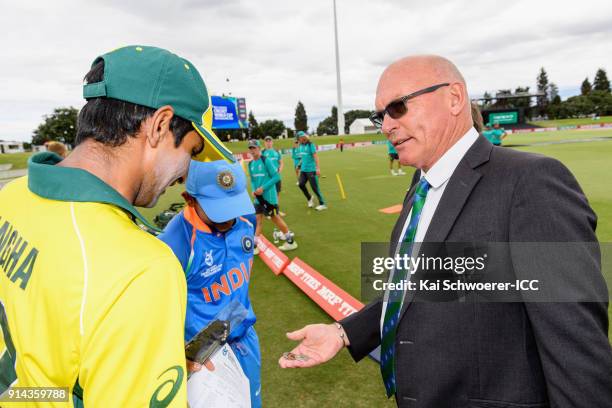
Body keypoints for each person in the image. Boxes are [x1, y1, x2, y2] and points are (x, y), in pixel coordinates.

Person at [279, 55, 612, 407]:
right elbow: (418, 287)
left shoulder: (530, 181)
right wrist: (343, 332)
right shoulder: (421, 183)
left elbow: (575, 345)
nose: (387, 125)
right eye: (381, 116)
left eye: (397, 107)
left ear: (454, 98)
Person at [0, 45, 235, 407]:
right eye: (190, 150)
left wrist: (143, 365)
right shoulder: (142, 269)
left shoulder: (11, 197)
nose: (186, 171)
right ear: (159, 125)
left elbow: (39, 383)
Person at [159, 160, 261, 407]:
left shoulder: (246, 219)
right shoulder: (175, 244)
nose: (228, 217)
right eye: (218, 209)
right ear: (189, 198)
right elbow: (156, 312)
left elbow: (242, 270)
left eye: (232, 205)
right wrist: (174, 357)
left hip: (245, 339)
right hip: (200, 357)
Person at [247, 139, 297, 252]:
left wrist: (263, 188)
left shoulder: (266, 161)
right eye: (250, 148)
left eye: (254, 148)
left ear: (259, 148)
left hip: (269, 198)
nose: (252, 150)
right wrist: (254, 190)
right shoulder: (250, 164)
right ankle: (254, 246)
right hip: (258, 198)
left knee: (276, 219)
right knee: (258, 220)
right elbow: (253, 180)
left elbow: (276, 177)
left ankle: (291, 241)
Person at [296, 131, 327, 210]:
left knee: (314, 187)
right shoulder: (300, 146)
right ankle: (310, 198)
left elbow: (316, 157)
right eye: (300, 138)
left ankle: (322, 204)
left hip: (311, 170)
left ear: (305, 137)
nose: (301, 139)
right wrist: (299, 164)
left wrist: (317, 168)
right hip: (303, 170)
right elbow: (303, 157)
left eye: (302, 137)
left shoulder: (311, 145)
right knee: (301, 184)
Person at [262, 135, 285, 216]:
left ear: (272, 142)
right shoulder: (262, 152)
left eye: (270, 141)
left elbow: (281, 163)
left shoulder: (276, 152)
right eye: (266, 141)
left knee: (277, 193)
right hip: (267, 179)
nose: (268, 143)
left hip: (276, 177)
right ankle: (267, 211)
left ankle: (277, 211)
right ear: (264, 143)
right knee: (266, 194)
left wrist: (279, 171)